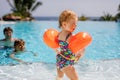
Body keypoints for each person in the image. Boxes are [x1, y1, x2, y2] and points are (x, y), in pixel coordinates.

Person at [55, 10, 85, 80]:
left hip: (59, 60)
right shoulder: (70, 36)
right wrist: (81, 53)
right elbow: (78, 47)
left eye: (76, 23)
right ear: (64, 24)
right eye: (73, 23)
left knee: (59, 77)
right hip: (66, 62)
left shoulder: (59, 34)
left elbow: (58, 46)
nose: (76, 25)